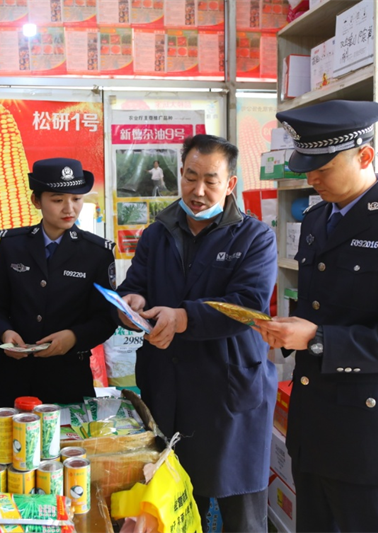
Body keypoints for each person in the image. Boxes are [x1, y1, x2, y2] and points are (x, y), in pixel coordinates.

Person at [255, 100, 378, 532]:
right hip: (314, 431)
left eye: (323, 168)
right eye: (307, 167)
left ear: (365, 156)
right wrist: (289, 331)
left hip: (369, 440)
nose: (312, 178)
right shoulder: (316, 218)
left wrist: (317, 339)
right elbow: (320, 308)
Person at [117, 134, 278, 532]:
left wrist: (183, 317)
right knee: (175, 510)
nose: (198, 190)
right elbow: (135, 284)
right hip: (167, 391)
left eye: (210, 180)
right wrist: (131, 303)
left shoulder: (254, 237)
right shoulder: (158, 232)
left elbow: (248, 305)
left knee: (241, 517)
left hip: (227, 394)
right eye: (190, 177)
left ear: (230, 183)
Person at [0, 158, 117, 408]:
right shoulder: (12, 246)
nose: (69, 209)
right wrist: (4, 333)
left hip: (67, 378)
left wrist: (73, 337)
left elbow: (106, 318)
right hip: (11, 378)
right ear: (37, 201)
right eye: (57, 200)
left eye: (76, 199)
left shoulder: (97, 253)